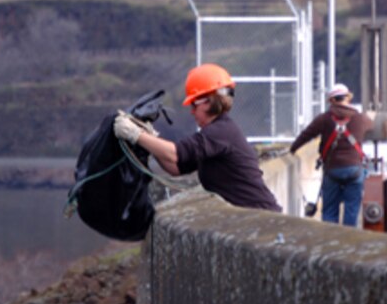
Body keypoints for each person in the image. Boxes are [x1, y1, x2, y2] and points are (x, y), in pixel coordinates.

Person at [113, 63, 281, 212]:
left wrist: (135, 134)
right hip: (255, 219)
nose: (192, 111)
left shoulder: (220, 132)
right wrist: (150, 139)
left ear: (208, 101)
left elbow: (175, 154)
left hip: (262, 221)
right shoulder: (221, 130)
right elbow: (176, 167)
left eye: (194, 104)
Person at [289, 83, 373, 227]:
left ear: (332, 101)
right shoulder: (360, 118)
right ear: (348, 98)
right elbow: (375, 127)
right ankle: (349, 240)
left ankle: (330, 239)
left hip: (332, 169)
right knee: (351, 211)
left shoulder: (324, 119)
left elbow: (306, 135)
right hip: (354, 169)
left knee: (329, 211)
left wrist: (292, 149)